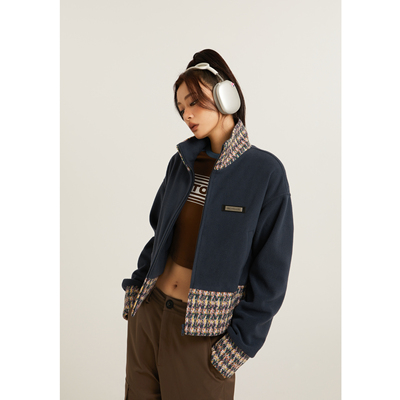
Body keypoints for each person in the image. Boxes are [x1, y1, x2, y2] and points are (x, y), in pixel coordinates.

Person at [122, 49, 294, 400]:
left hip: (202, 336)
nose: (187, 114)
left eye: (194, 102)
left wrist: (236, 347)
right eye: (181, 107)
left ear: (225, 96)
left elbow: (271, 275)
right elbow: (159, 235)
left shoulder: (265, 173)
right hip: (149, 315)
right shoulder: (181, 163)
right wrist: (135, 289)